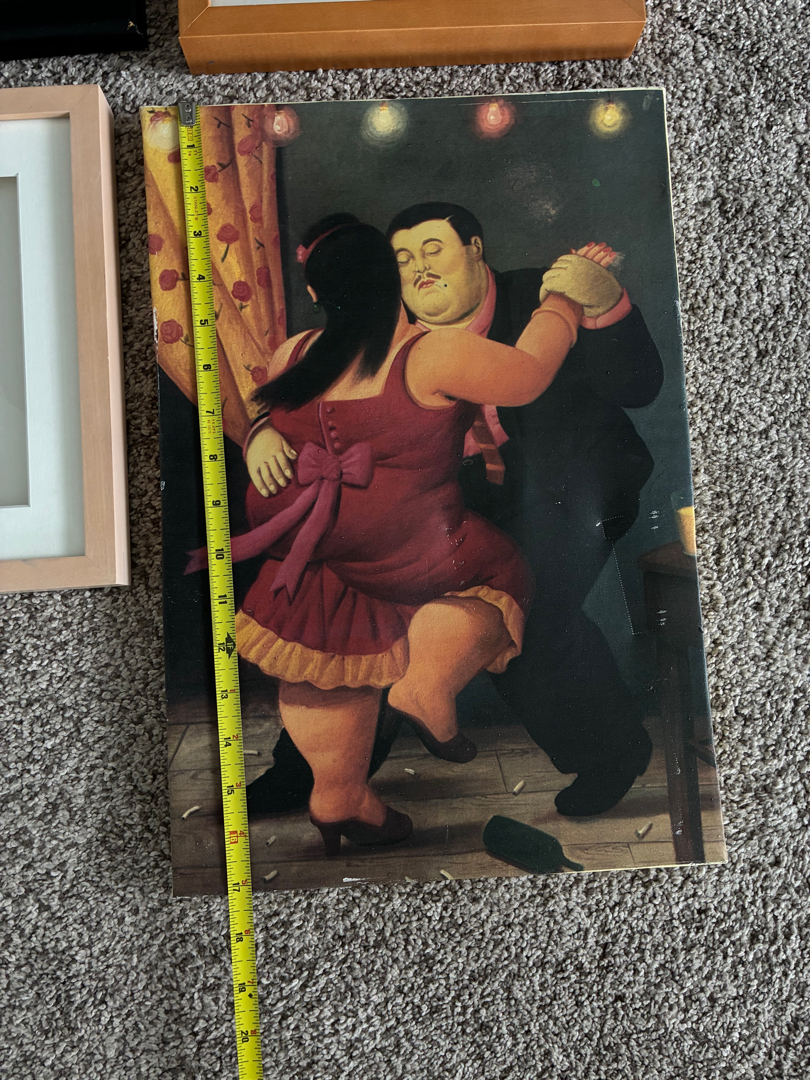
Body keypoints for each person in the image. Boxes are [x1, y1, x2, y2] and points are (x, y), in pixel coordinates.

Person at [252, 203, 664, 820]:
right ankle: (316, 776)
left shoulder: (543, 292)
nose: (419, 269)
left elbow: (640, 387)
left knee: (530, 612)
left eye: (433, 249)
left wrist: (603, 304)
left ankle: (610, 754)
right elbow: (308, 393)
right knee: (357, 612)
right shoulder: (381, 328)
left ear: (475, 249)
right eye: (402, 259)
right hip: (446, 499)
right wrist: (261, 429)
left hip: (566, 488)